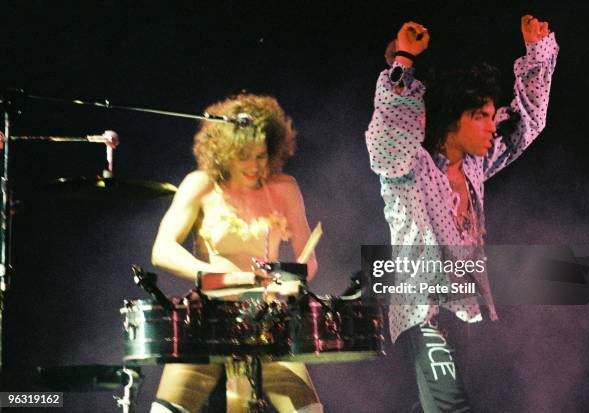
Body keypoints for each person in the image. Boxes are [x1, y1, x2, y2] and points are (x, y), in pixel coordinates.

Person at [365, 16, 558, 411]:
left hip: (462, 310)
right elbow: (387, 134)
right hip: (422, 308)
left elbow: (526, 122)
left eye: (491, 116)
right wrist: (402, 59)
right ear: (453, 121)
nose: (492, 126)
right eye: (481, 117)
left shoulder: (474, 166)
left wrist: (536, 53)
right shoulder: (408, 167)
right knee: (452, 407)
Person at [149, 94, 323, 413]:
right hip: (209, 315)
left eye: (261, 155)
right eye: (244, 156)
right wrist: (222, 277)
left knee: (309, 410)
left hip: (268, 319)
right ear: (224, 151)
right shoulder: (199, 184)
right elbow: (162, 249)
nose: (255, 166)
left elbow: (307, 262)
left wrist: (290, 281)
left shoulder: (285, 188)